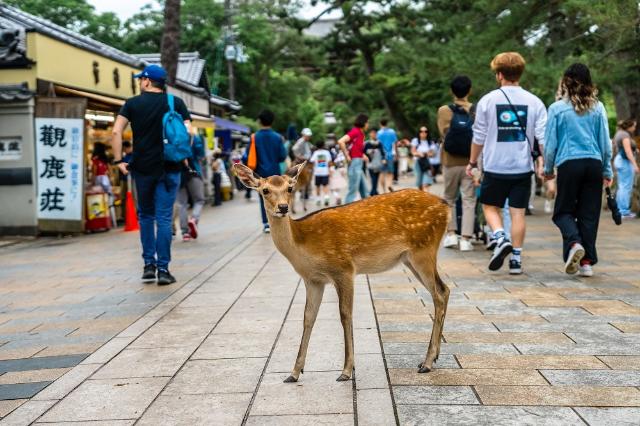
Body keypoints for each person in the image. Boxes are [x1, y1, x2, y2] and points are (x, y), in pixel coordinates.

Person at [467, 52, 547, 275]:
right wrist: (546, 165)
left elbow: (479, 136)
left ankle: (500, 237)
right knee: (518, 213)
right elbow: (543, 139)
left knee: (490, 206)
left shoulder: (488, 100)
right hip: (522, 168)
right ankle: (516, 261)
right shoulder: (535, 102)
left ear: (499, 74)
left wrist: (472, 162)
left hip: (495, 166)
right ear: (520, 73)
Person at [111, 64, 191, 285]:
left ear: (146, 81)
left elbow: (116, 131)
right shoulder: (176, 103)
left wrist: (119, 160)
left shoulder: (132, 104)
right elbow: (188, 133)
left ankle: (148, 266)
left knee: (145, 216)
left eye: (140, 79)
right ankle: (164, 270)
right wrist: (183, 156)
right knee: (164, 218)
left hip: (143, 169)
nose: (139, 83)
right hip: (170, 167)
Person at [544, 63, 613, 277]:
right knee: (589, 215)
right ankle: (586, 263)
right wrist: (607, 170)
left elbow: (550, 145)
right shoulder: (598, 107)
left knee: (563, 212)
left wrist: (548, 169)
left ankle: (574, 243)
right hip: (593, 164)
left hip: (569, 164)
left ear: (565, 81)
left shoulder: (556, 108)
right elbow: (606, 144)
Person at [438, 75, 476, 252]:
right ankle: (466, 239)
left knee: (448, 199)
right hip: (470, 161)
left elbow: (444, 135)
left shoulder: (444, 110)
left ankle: (451, 234)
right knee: (468, 199)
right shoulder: (475, 109)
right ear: (470, 90)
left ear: (451, 91)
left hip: (450, 161)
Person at [250, 109, 288, 233]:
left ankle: (266, 223)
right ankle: (278, 217)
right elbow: (282, 156)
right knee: (278, 195)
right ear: (272, 121)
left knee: (264, 197)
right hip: (275, 173)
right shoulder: (277, 137)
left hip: (260, 173)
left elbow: (247, 156)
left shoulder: (255, 137)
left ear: (260, 121)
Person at [177, 134, 206, 242]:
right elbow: (201, 154)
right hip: (192, 172)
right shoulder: (193, 136)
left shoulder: (171, 135)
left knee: (182, 204)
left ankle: (185, 233)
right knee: (199, 200)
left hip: (178, 174)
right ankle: (194, 219)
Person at [338, 114, 369, 203]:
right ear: (363, 123)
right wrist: (347, 156)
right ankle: (345, 213)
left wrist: (363, 155)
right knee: (352, 192)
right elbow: (341, 141)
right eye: (367, 122)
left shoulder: (361, 134)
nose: (368, 125)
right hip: (355, 164)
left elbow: (355, 148)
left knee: (365, 192)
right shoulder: (355, 131)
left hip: (358, 164)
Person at [613, 118, 638, 218]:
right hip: (624, 162)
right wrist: (635, 165)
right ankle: (623, 211)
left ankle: (620, 210)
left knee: (622, 186)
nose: (635, 128)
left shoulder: (619, 133)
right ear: (629, 126)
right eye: (634, 126)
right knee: (626, 187)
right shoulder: (624, 135)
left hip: (620, 160)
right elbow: (628, 152)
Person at [411, 126, 435, 192]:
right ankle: (422, 198)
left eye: (425, 131)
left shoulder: (430, 142)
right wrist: (419, 154)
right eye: (421, 131)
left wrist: (424, 154)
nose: (423, 133)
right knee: (420, 184)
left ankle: (426, 200)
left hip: (427, 164)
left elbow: (432, 154)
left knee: (426, 183)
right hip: (418, 163)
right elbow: (413, 152)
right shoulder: (415, 141)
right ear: (419, 133)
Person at [377, 119, 397, 192]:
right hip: (390, 154)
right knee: (390, 172)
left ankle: (384, 190)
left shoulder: (379, 133)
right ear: (387, 123)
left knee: (382, 173)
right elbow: (394, 143)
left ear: (380, 124)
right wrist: (395, 154)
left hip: (381, 155)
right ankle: (389, 185)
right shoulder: (392, 132)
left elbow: (377, 144)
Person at [309, 140, 332, 206]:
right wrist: (330, 171)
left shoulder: (315, 153)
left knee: (318, 186)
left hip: (317, 172)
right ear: (323, 145)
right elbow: (329, 162)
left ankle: (318, 199)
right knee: (325, 186)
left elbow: (312, 161)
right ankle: (326, 198)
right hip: (325, 172)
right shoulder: (327, 152)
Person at [364, 128, 386, 196]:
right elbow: (364, 152)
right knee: (373, 177)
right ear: (370, 134)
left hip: (378, 163)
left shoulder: (379, 143)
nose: (373, 134)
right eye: (372, 133)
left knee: (376, 177)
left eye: (374, 133)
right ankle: (373, 191)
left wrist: (383, 159)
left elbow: (383, 152)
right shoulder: (367, 143)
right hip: (370, 163)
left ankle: (374, 191)